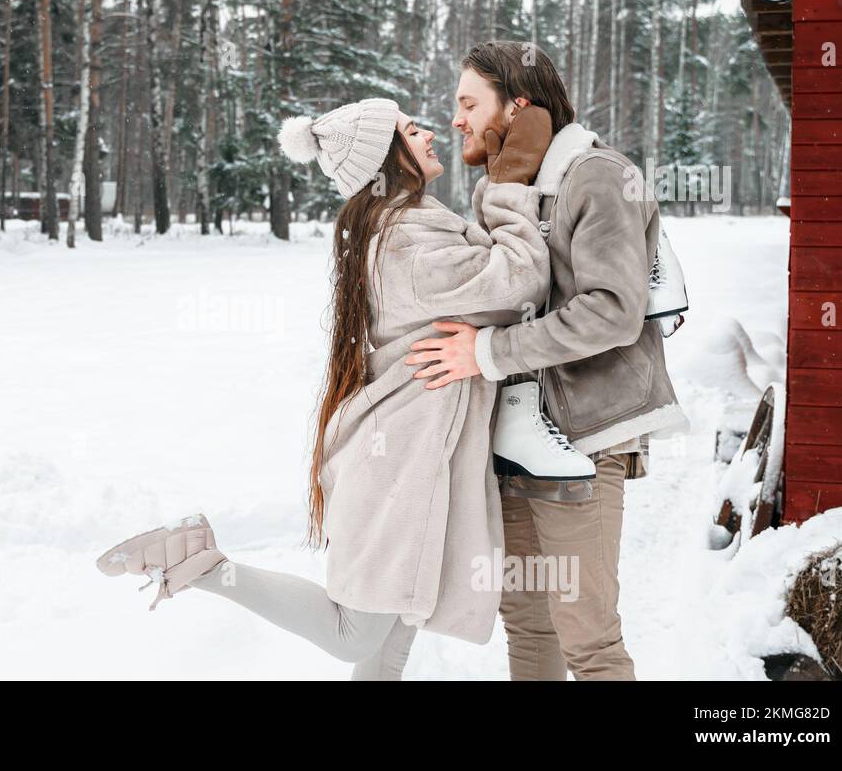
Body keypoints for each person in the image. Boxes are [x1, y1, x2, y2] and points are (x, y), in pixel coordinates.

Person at [95, 96, 559, 680]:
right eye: (414, 133)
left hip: (414, 459)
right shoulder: (410, 243)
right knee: (355, 633)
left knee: (387, 645)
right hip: (403, 467)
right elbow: (523, 279)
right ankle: (201, 563)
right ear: (387, 160)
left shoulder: (408, 228)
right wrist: (511, 184)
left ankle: (198, 560)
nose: (432, 135)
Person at [406, 41, 690, 680]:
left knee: (588, 640)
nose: (456, 120)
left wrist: (486, 353)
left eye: (470, 103)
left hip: (583, 441)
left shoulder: (599, 176)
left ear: (519, 104)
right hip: (511, 440)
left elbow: (612, 311)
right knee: (530, 629)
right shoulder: (504, 188)